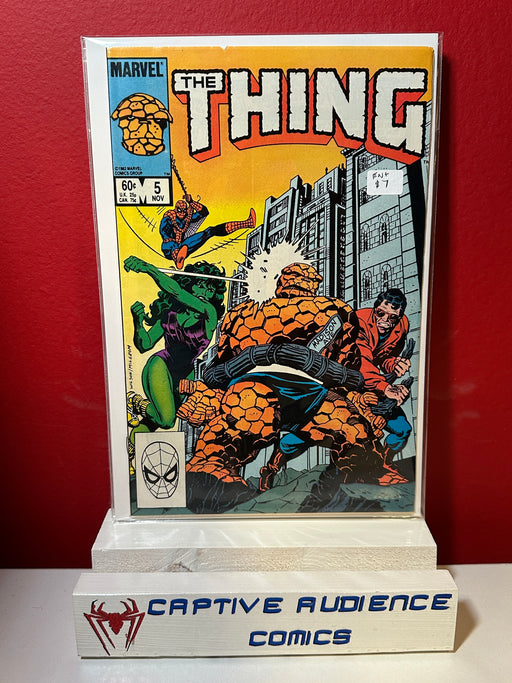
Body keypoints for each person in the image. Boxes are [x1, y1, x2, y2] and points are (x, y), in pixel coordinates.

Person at [123, 255, 226, 460]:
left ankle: (134, 436)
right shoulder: (169, 314)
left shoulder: (209, 313)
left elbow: (177, 292)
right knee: (167, 419)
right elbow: (145, 345)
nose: (205, 292)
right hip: (161, 365)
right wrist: (138, 322)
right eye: (201, 286)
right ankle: (136, 403)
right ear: (191, 285)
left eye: (210, 289)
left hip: (185, 375)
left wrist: (148, 267)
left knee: (161, 421)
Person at [356, 288, 412, 463]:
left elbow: (384, 358)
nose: (385, 321)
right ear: (375, 309)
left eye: (392, 318)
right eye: (380, 313)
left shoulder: (402, 326)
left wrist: (394, 363)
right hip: (345, 382)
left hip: (374, 385)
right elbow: (361, 361)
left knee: (402, 429)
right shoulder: (358, 321)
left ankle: (384, 463)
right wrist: (385, 388)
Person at [159, 194, 256, 269]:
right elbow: (163, 231)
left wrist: (191, 202)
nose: (182, 213)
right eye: (179, 210)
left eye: (184, 211)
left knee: (210, 231)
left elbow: (204, 212)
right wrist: (169, 219)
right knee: (173, 244)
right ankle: (178, 258)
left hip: (185, 246)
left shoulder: (187, 218)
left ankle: (247, 223)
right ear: (175, 210)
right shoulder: (169, 218)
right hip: (169, 247)